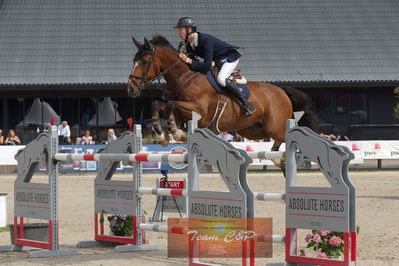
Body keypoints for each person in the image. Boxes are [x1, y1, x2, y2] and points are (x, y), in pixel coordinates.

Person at [175, 17, 255, 116]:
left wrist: (187, 60)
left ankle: (246, 104)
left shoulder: (205, 40)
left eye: (180, 29)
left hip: (229, 59)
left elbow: (207, 66)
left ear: (189, 30)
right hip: (216, 61)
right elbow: (194, 60)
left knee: (221, 79)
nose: (178, 33)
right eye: (178, 30)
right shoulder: (188, 43)